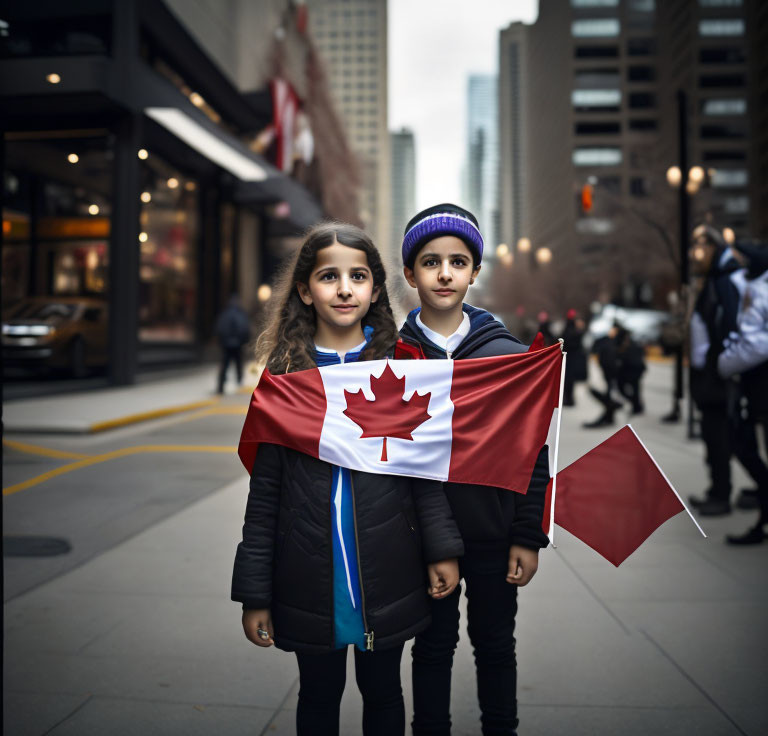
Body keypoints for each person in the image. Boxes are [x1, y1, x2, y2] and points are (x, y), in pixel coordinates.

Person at [231, 222, 464, 736]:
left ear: (376, 289)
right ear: (303, 290)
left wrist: (441, 548)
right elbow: (265, 495)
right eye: (328, 276)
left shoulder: (401, 368)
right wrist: (255, 593)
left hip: (388, 567)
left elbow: (423, 473)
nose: (343, 289)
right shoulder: (285, 379)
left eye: (358, 276)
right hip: (309, 571)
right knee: (318, 695)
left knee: (384, 694)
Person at [398, 203, 550, 736]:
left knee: (495, 645)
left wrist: (528, 534)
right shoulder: (392, 360)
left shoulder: (507, 356)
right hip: (422, 538)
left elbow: (533, 455)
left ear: (475, 271)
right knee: (433, 645)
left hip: (493, 533)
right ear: (410, 272)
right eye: (431, 261)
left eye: (458, 262)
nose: (444, 273)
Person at [687, 225, 768, 517]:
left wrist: (724, 364)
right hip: (712, 372)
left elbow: (738, 330)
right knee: (717, 434)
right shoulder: (713, 280)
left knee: (727, 436)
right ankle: (725, 489)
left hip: (721, 373)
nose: (696, 254)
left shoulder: (727, 282)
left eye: (702, 247)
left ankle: (731, 492)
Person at [718, 239, 768, 544]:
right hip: (754, 386)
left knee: (750, 447)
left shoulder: (760, 289)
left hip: (761, 385)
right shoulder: (750, 285)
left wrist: (724, 363)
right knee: (745, 445)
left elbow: (756, 342)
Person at [215, 294, 251, 394]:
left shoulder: (224, 314)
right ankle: (239, 383)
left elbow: (219, 328)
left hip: (226, 344)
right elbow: (244, 329)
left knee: (224, 365)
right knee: (238, 365)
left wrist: (222, 341)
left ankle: (220, 386)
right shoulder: (241, 314)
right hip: (238, 345)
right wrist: (244, 341)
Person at [560, 309, 587, 407]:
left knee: (568, 379)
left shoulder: (569, 329)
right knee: (569, 379)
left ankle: (568, 399)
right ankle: (569, 399)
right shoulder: (574, 329)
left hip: (569, 357)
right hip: (571, 357)